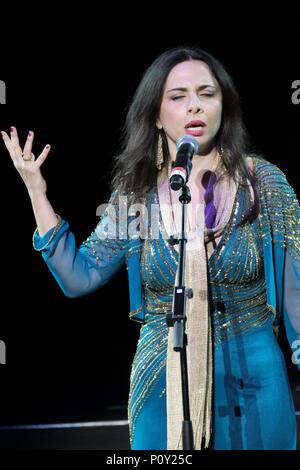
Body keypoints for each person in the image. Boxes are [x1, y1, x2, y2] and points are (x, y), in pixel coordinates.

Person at [2, 46, 300, 450]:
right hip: (163, 380)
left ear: (223, 106)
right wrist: (37, 192)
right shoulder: (135, 194)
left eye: (206, 93)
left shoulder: (263, 184)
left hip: (256, 382)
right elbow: (79, 276)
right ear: (157, 116)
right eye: (178, 97)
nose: (194, 105)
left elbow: (297, 300)